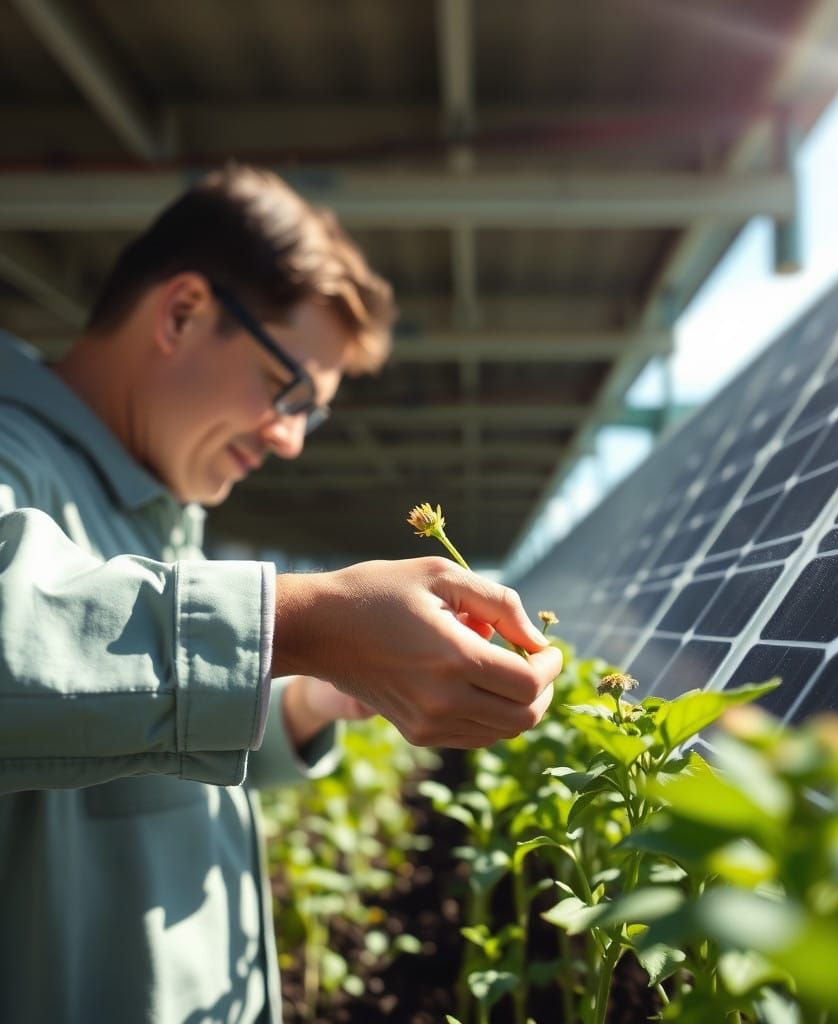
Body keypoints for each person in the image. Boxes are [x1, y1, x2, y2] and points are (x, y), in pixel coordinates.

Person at [0, 165, 562, 1023]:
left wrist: (313, 696)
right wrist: (301, 624)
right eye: (285, 389)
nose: (292, 440)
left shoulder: (157, 513)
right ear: (182, 312)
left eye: (313, 411)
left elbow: (100, 762)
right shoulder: (15, 453)